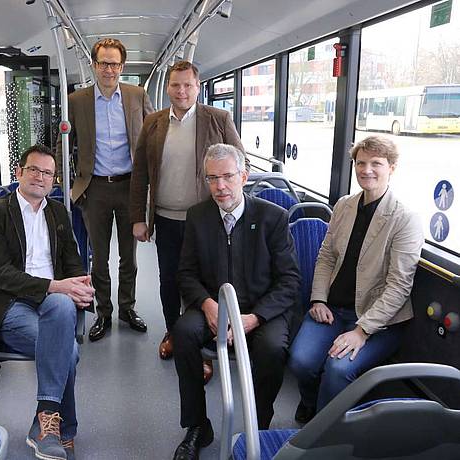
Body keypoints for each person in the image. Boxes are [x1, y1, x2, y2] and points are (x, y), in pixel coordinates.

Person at [172, 144, 300, 459]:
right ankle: (198, 425)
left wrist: (253, 318)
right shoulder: (198, 216)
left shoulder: (273, 218)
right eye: (212, 179)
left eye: (228, 176)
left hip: (261, 309)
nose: (220, 187)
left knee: (271, 349)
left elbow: (289, 281)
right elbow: (186, 273)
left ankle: (258, 426)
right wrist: (208, 305)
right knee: (184, 333)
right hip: (215, 306)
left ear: (243, 176)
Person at [288, 135, 424, 424]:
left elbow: (399, 285)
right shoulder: (344, 206)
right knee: (301, 360)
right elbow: (325, 257)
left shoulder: (405, 218)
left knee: (338, 369)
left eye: (376, 163)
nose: (367, 170)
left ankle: (323, 432)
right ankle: (311, 402)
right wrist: (318, 298)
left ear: (392, 168)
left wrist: (362, 331)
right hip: (333, 309)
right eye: (360, 163)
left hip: (378, 322)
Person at [0, 144, 94, 460]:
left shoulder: (58, 212)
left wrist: (81, 283)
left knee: (61, 304)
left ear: (54, 181)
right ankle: (61, 427)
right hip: (11, 302)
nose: (40, 178)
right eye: (34, 170)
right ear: (19, 173)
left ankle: (45, 424)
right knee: (67, 350)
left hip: (52, 303)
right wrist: (55, 285)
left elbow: (72, 260)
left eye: (47, 173)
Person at [130, 61, 244, 376]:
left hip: (207, 220)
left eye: (187, 85)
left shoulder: (218, 119)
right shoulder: (153, 122)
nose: (181, 91)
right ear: (167, 88)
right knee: (169, 279)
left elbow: (238, 162)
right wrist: (138, 217)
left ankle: (201, 343)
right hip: (166, 217)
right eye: (175, 85)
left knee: (204, 281)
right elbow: (140, 172)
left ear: (198, 87)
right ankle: (173, 331)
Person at [57, 37, 154, 342]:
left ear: (122, 66)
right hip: (94, 189)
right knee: (98, 258)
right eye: (103, 63)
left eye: (114, 63)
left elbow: (154, 136)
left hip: (130, 187)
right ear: (94, 65)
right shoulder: (77, 101)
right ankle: (104, 312)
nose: (109, 69)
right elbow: (62, 145)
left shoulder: (137, 95)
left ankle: (127, 308)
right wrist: (66, 184)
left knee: (130, 255)